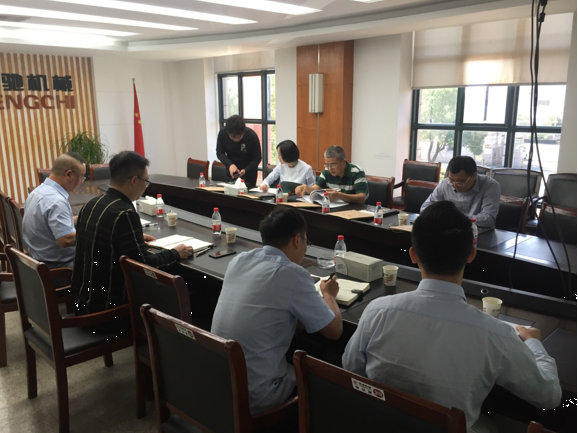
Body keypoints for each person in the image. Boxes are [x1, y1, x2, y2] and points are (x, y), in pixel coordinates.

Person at [342, 201, 561, 432]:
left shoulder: (377, 311)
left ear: (413, 255)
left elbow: (351, 368)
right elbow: (550, 396)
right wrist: (533, 341)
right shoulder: (496, 334)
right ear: (471, 255)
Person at [211, 206, 342, 413]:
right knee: (324, 373)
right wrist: (329, 295)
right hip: (258, 394)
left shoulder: (239, 260)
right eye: (306, 242)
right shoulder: (292, 273)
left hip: (220, 381)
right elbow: (334, 331)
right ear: (297, 239)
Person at [71, 151, 193, 316]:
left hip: (81, 302)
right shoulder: (124, 213)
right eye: (146, 181)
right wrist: (176, 253)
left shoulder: (91, 204)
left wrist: (133, 239)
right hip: (106, 310)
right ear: (134, 180)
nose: (146, 187)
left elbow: (105, 241)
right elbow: (143, 265)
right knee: (184, 289)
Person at [23, 152, 86, 277]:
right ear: (68, 174)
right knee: (106, 261)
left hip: (37, 261)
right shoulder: (56, 201)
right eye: (81, 177)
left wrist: (84, 218)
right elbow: (66, 240)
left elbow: (51, 223)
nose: (81, 181)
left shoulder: (38, 192)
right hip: (58, 269)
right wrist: (96, 232)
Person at [421, 156, 500, 228]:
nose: (455, 185)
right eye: (451, 180)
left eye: (460, 181)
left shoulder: (490, 186)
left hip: (479, 233)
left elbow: (488, 219)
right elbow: (425, 208)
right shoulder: (445, 184)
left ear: (474, 176)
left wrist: (454, 218)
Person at [294, 145, 368, 204]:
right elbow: (315, 189)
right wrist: (305, 188)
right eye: (327, 165)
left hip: (355, 210)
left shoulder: (357, 172)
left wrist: (339, 195)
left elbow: (362, 198)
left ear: (343, 162)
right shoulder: (326, 172)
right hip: (335, 208)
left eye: (333, 165)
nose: (329, 168)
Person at [216, 115, 262, 188]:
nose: (235, 139)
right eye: (232, 137)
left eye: (238, 137)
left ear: (243, 131)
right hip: (231, 171)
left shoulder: (251, 136)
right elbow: (220, 153)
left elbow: (257, 158)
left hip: (248, 173)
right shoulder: (223, 133)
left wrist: (246, 170)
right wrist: (230, 164)